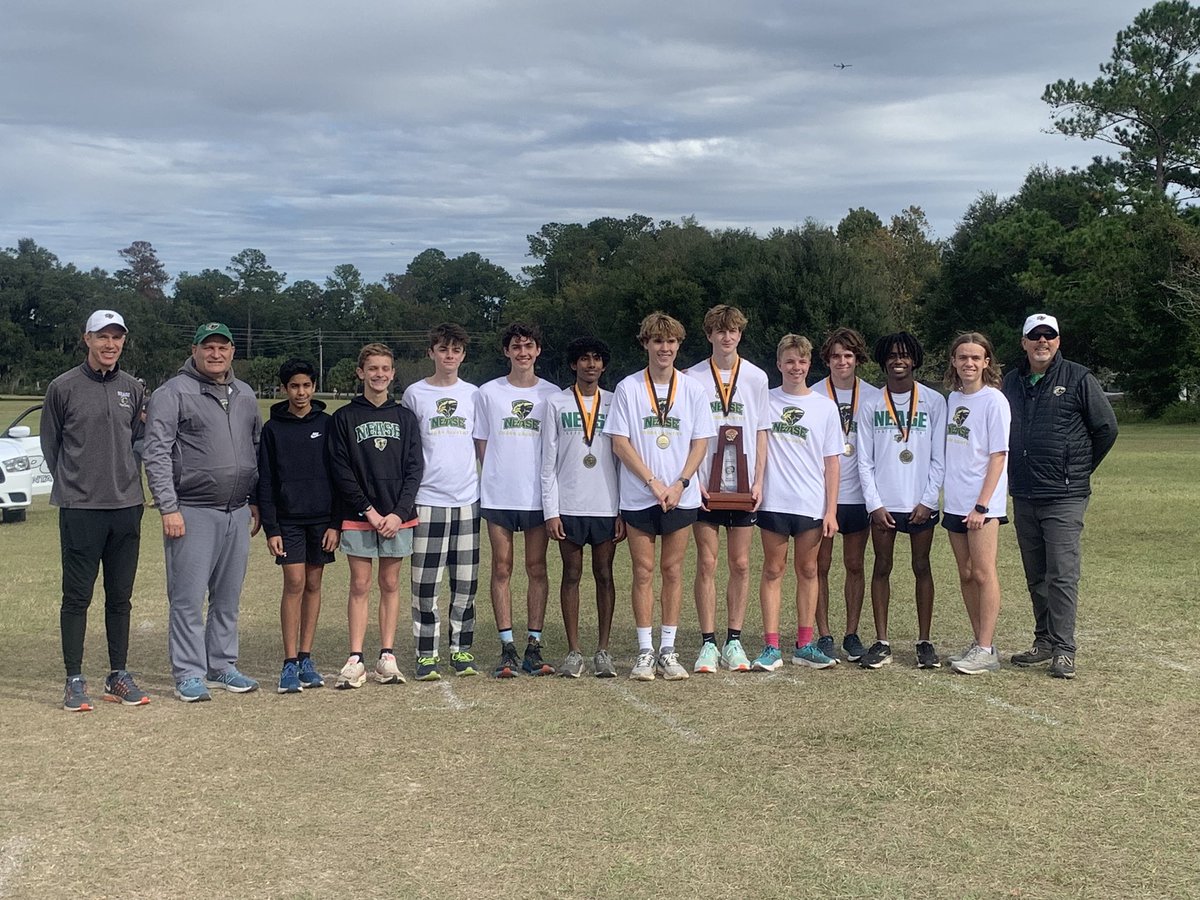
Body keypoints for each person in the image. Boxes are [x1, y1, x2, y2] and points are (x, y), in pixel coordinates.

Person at [144, 322, 262, 702]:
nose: (216, 354)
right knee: (188, 597)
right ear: (194, 350)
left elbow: (255, 447)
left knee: (228, 597)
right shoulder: (173, 392)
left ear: (232, 352)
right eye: (207, 347)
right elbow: (156, 452)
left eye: (223, 347)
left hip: (237, 510)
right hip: (191, 510)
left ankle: (222, 665)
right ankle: (189, 673)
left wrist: (255, 499)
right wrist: (168, 506)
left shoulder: (244, 393)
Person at [42, 309, 149, 711]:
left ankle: (117, 675)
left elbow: (140, 439)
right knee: (77, 597)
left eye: (116, 337)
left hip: (126, 506)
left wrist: (126, 477)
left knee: (120, 597)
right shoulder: (62, 387)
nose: (110, 345)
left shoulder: (132, 387)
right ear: (86, 339)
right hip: (81, 508)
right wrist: (75, 485)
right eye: (101, 336)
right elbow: (51, 445)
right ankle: (73, 679)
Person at [1002, 313, 1117, 679]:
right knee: (1036, 572)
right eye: (1034, 336)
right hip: (1024, 491)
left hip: (1064, 495)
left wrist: (1078, 469)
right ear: (1023, 342)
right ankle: (1045, 640)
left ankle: (1064, 649)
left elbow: (1106, 429)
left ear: (1058, 341)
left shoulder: (1079, 378)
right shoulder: (1011, 382)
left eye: (1048, 336)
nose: (1041, 342)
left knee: (1062, 574)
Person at [604, 312, 715, 681]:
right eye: (657, 341)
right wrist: (652, 482)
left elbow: (700, 442)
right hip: (640, 495)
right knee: (643, 571)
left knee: (672, 570)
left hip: (680, 495)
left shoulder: (694, 389)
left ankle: (668, 650)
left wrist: (681, 483)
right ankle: (645, 652)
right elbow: (620, 443)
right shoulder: (628, 388)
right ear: (646, 344)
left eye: (670, 342)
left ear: (678, 345)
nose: (664, 348)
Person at [327, 342, 424, 689]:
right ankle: (355, 658)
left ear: (393, 374)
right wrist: (368, 511)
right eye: (372, 369)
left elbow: (415, 468)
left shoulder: (405, 417)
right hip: (359, 515)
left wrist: (398, 513)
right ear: (360, 373)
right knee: (360, 584)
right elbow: (341, 470)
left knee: (390, 584)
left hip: (398, 516)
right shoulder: (344, 418)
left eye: (385, 369)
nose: (379, 374)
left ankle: (387, 656)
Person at [683, 305, 769, 674]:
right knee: (707, 562)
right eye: (719, 331)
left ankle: (734, 640)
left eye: (732, 331)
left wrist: (760, 479)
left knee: (741, 563)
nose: (726, 337)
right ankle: (707, 643)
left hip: (743, 486)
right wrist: (694, 478)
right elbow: (686, 430)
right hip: (705, 485)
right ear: (709, 335)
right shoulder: (691, 377)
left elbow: (762, 431)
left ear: (740, 334)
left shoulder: (757, 377)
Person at [750, 335, 842, 672]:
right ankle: (771, 646)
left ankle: (805, 644)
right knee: (773, 570)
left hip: (811, 505)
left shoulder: (824, 406)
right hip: (774, 501)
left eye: (802, 362)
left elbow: (832, 462)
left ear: (809, 364)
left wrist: (831, 510)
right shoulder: (765, 401)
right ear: (779, 364)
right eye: (790, 361)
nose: (796, 367)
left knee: (808, 570)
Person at [856, 331, 947, 670]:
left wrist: (927, 501)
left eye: (905, 355)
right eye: (892, 354)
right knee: (882, 567)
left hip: (920, 503)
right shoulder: (871, 404)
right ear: (883, 359)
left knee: (921, 566)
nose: (898, 360)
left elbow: (940, 458)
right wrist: (874, 505)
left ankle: (924, 642)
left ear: (915, 359)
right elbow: (864, 461)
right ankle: (882, 642)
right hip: (884, 503)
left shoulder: (935, 402)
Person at [474, 323, 560, 678]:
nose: (523, 352)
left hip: (538, 497)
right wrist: (497, 474)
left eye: (529, 346)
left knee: (536, 569)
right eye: (516, 346)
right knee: (502, 568)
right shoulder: (488, 393)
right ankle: (507, 647)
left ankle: (533, 646)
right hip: (499, 495)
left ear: (538, 350)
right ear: (506, 351)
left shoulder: (552, 394)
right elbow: (482, 443)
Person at [401, 324, 482, 680]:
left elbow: (481, 446)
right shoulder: (414, 394)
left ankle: (461, 651)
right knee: (426, 585)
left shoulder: (473, 394)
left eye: (456, 350)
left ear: (463, 355)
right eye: (443, 349)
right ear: (431, 352)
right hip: (427, 500)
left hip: (467, 500)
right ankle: (426, 654)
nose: (449, 356)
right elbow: (408, 449)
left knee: (465, 584)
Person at [540, 336, 623, 678]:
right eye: (584, 359)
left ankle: (602, 651)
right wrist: (551, 510)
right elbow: (547, 462)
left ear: (603, 365)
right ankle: (574, 651)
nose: (591, 364)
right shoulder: (556, 403)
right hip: (570, 503)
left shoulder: (616, 402)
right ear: (573, 364)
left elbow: (623, 460)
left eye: (596, 359)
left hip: (606, 504)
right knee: (571, 575)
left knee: (604, 575)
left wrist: (622, 510)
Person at [256, 358, 338, 694]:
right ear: (283, 389)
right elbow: (266, 480)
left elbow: (339, 475)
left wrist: (336, 523)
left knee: (314, 584)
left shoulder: (328, 424)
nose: (300, 392)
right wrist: (271, 528)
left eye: (306, 385)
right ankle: (289, 662)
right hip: (288, 520)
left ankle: (306, 657)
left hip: (322, 521)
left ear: (314, 387)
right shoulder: (272, 429)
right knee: (294, 582)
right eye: (294, 386)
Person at [942, 333, 1011, 675]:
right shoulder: (953, 399)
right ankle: (978, 642)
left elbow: (998, 456)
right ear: (953, 362)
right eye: (962, 357)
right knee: (966, 574)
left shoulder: (994, 401)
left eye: (975, 358)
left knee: (983, 573)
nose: (969, 363)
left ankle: (986, 648)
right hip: (955, 503)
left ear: (987, 362)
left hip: (983, 505)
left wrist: (982, 506)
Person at [812, 327, 880, 663]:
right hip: (821, 496)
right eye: (836, 355)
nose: (842, 361)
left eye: (848, 356)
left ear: (858, 359)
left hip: (858, 494)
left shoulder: (873, 396)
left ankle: (852, 634)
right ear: (827, 359)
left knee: (854, 565)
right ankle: (824, 634)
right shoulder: (812, 394)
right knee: (819, 566)